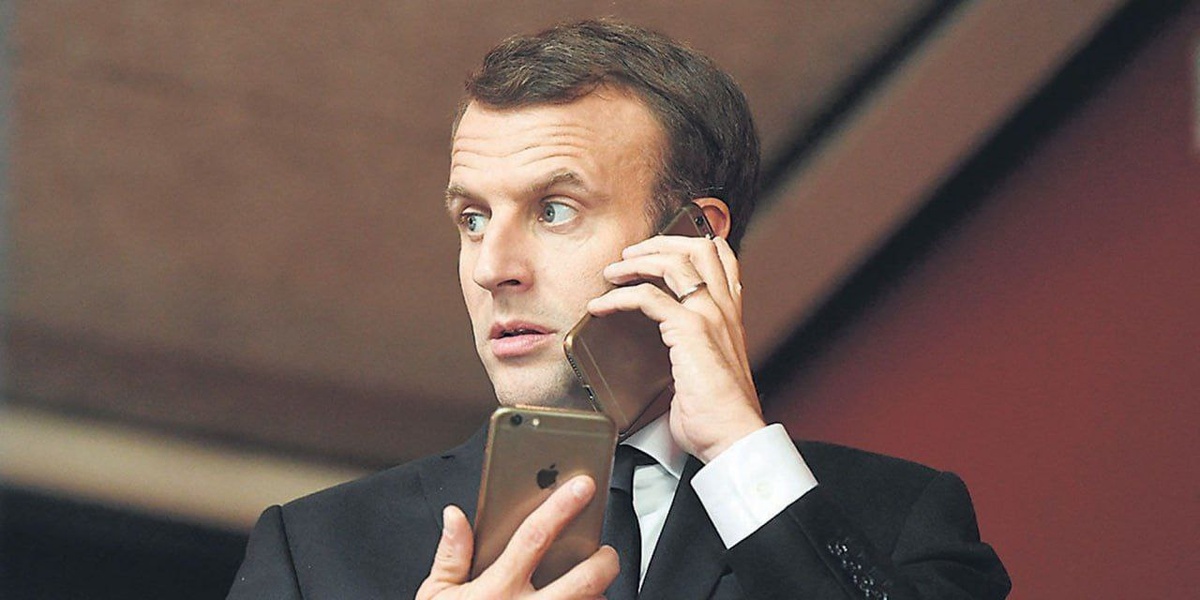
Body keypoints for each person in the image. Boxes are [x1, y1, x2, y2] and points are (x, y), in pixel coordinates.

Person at [227, 19, 1010, 600]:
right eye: (473, 219)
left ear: (694, 238)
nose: (493, 268)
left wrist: (739, 451)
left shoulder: (901, 518)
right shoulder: (314, 551)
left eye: (554, 210)